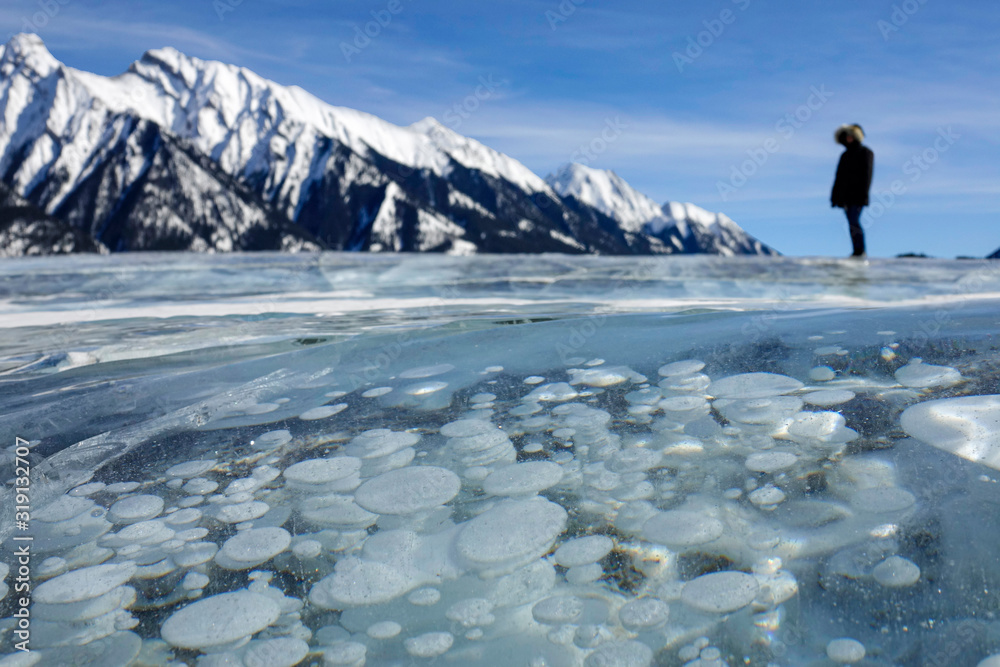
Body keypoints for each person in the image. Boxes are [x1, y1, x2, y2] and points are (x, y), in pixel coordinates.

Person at [830, 124, 874, 258]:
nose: (848, 139)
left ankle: (860, 250)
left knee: (854, 221)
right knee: (851, 222)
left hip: (858, 196)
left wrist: (863, 194)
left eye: (850, 136)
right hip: (845, 197)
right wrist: (835, 197)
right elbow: (838, 177)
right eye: (846, 137)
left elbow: (867, 175)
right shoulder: (845, 155)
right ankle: (857, 250)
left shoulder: (865, 153)